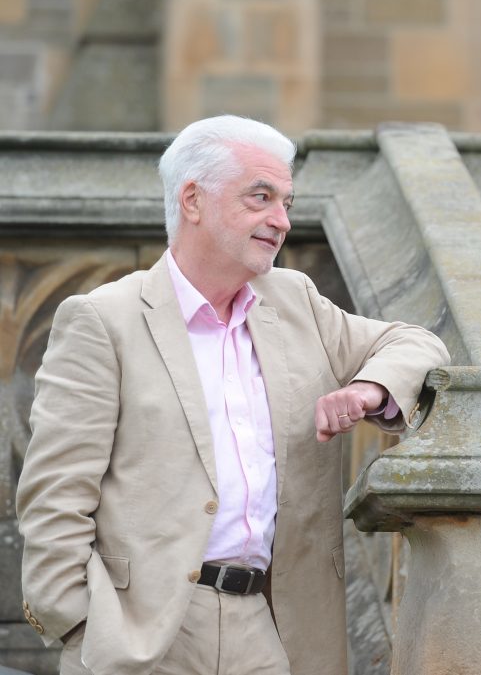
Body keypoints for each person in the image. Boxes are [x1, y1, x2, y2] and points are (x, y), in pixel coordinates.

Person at [16, 115, 450, 675]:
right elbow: (54, 496)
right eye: (261, 198)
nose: (282, 221)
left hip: (274, 627)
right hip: (142, 635)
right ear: (192, 200)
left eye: (287, 203)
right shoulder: (104, 320)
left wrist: (369, 388)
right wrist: (81, 626)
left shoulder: (294, 299)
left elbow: (417, 342)